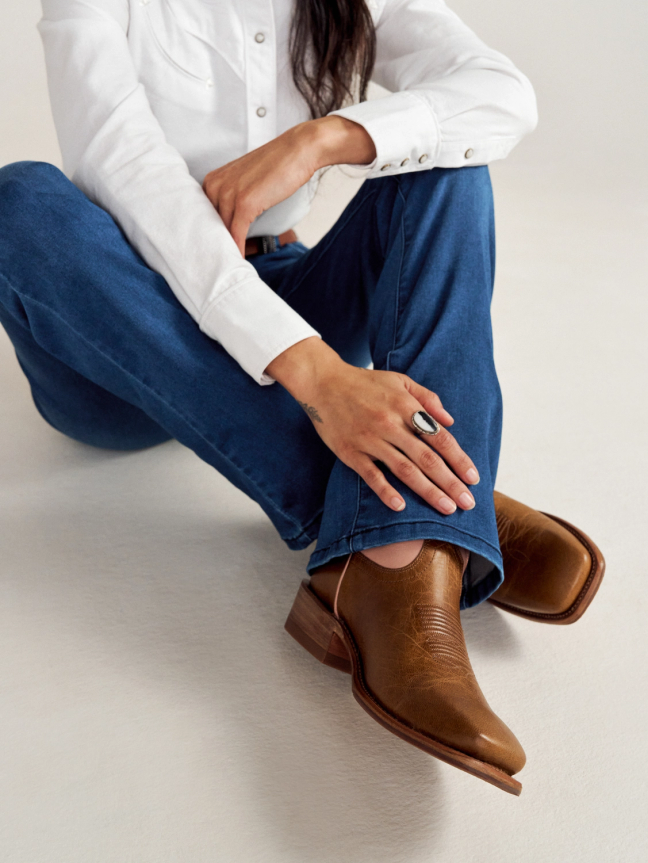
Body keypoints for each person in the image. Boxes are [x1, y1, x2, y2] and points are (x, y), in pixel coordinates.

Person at [0, 0, 604, 795]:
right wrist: (316, 373)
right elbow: (127, 168)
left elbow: (501, 94)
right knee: (20, 204)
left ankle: (400, 550)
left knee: (451, 160)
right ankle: (426, 523)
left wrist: (326, 137)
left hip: (288, 285)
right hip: (120, 331)